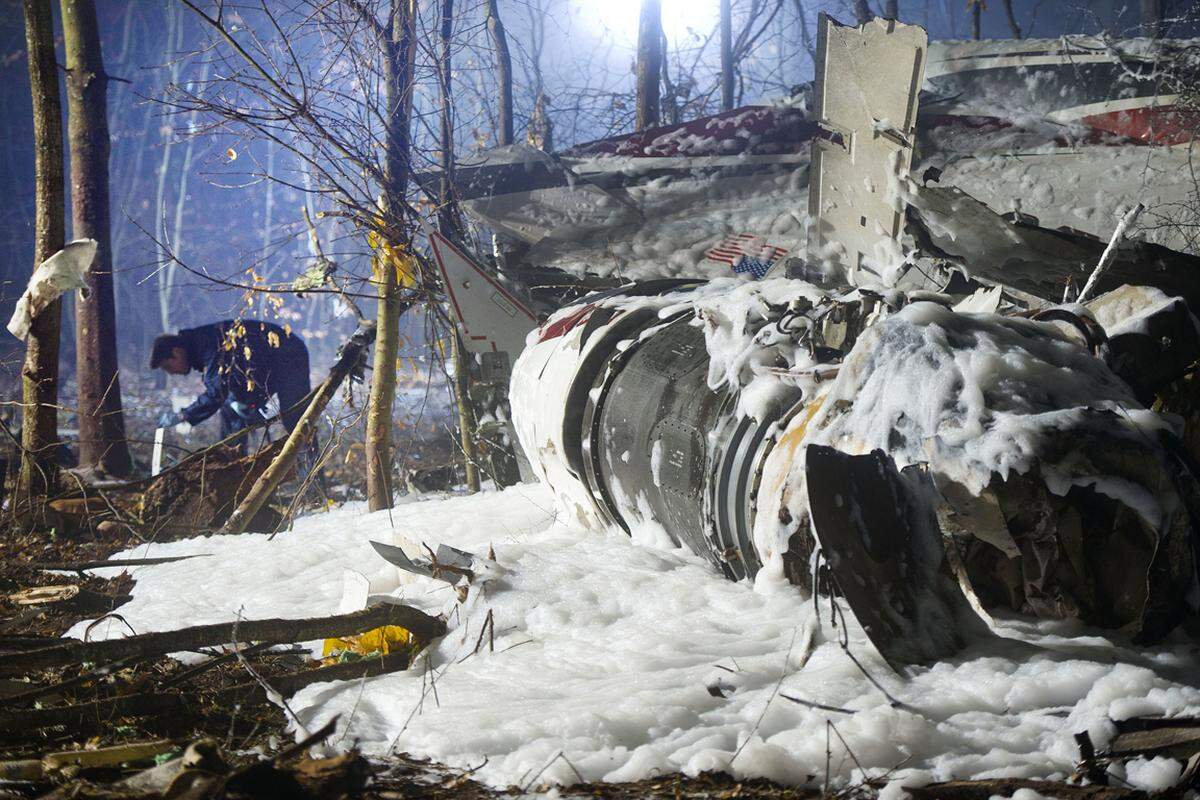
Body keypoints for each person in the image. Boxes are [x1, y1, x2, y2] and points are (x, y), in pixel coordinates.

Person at [150, 319, 315, 461]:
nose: (170, 373)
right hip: (267, 362)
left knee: (296, 420)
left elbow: (216, 393)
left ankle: (312, 484)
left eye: (167, 366)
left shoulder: (207, 344)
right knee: (231, 413)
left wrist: (184, 415)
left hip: (289, 354)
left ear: (176, 352)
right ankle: (235, 482)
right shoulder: (201, 345)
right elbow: (235, 374)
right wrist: (248, 401)